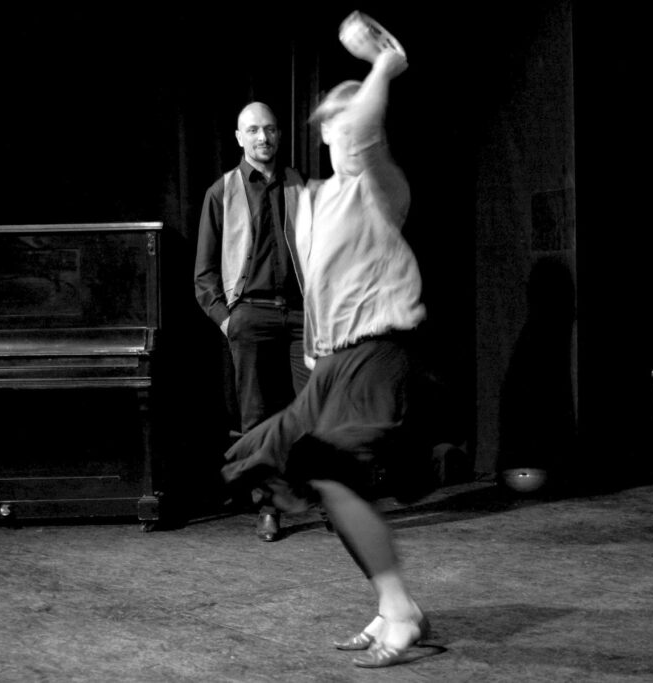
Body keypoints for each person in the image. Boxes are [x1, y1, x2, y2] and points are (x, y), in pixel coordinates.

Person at [220, 31, 437, 669]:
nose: (341, 130)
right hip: (334, 363)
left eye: (350, 119)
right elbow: (321, 286)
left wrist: (383, 66)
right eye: (333, 123)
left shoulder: (380, 186)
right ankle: (395, 606)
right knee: (305, 470)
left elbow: (365, 130)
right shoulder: (318, 199)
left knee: (335, 473)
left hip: (378, 353)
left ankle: (399, 609)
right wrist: (316, 352)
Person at [195, 102, 310, 542]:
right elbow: (204, 273)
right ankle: (268, 507)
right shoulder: (221, 191)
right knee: (258, 417)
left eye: (271, 129)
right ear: (239, 137)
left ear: (279, 134)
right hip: (250, 314)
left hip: (300, 314)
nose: (264, 138)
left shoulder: (301, 185)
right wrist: (228, 321)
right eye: (254, 130)